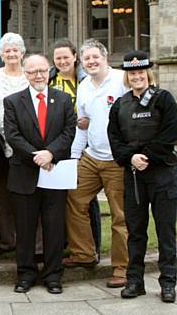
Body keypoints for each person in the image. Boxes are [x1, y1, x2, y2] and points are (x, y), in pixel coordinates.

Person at [108, 50, 177, 303]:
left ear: (147, 73)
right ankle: (135, 281)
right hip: (134, 176)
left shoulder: (164, 99)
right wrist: (131, 158)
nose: (136, 76)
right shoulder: (119, 105)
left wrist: (144, 156)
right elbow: (115, 140)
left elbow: (169, 135)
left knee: (165, 231)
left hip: (162, 174)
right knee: (136, 231)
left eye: (140, 72)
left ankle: (168, 283)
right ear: (127, 76)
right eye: (132, 73)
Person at [3, 54, 76, 295]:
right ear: (25, 73)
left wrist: (51, 154)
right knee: (24, 228)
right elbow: (12, 135)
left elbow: (68, 132)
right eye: (33, 71)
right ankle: (25, 274)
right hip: (25, 172)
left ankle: (53, 275)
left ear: (49, 71)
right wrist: (37, 155)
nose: (38, 75)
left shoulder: (64, 99)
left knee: (54, 227)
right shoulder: (13, 101)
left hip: (54, 172)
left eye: (42, 70)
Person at [65, 39, 129, 289]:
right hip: (91, 157)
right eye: (87, 58)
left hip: (117, 159)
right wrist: (74, 157)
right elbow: (83, 124)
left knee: (120, 216)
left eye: (95, 57)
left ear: (105, 57)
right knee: (73, 198)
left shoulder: (122, 80)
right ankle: (84, 254)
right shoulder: (83, 86)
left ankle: (122, 267)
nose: (91, 62)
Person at [48, 39, 102, 262]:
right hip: (57, 146)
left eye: (66, 57)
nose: (62, 61)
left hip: (83, 145)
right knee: (61, 197)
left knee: (86, 198)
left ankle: (93, 246)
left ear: (74, 57)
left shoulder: (86, 81)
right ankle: (66, 244)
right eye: (58, 58)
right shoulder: (50, 79)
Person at [0, 32, 29, 253]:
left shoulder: (29, 75)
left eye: (15, 50)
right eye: (7, 50)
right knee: (1, 194)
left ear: (22, 53)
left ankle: (26, 237)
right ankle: (8, 240)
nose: (11, 54)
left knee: (25, 192)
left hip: (26, 144)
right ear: (1, 54)